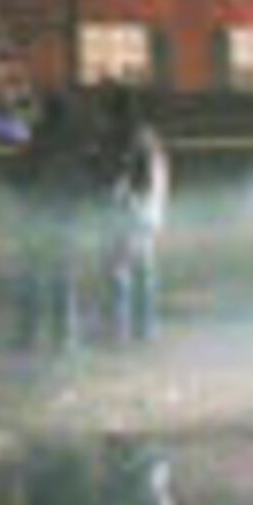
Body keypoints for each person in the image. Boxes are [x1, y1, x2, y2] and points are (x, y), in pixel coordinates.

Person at [12, 89, 95, 354]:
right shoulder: (72, 143)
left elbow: (18, 177)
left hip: (37, 216)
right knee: (62, 279)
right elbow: (83, 182)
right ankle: (64, 337)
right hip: (63, 217)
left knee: (32, 277)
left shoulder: (35, 140)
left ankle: (28, 335)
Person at [101, 86, 170, 343]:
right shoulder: (151, 138)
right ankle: (147, 329)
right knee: (145, 272)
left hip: (129, 212)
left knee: (119, 273)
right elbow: (159, 180)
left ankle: (119, 331)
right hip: (150, 214)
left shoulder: (123, 137)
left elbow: (121, 179)